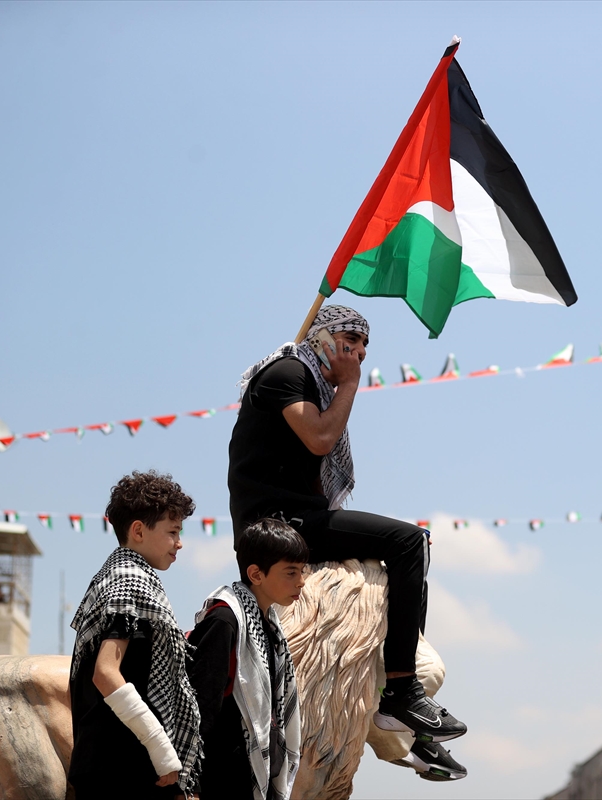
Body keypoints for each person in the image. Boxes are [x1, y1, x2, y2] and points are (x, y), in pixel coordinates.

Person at [227, 305, 468, 780]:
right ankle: (401, 692)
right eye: (347, 340)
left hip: (303, 515)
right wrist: (351, 384)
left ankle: (409, 723)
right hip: (276, 524)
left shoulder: (310, 380)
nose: (356, 352)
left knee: (405, 555)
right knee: (407, 543)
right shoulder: (287, 372)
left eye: (363, 346)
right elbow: (319, 438)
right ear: (320, 338)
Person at [67, 471, 202, 800]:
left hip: (124, 767)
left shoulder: (121, 579)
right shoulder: (129, 582)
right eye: (172, 531)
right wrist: (161, 748)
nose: (179, 542)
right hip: (120, 770)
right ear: (139, 530)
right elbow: (105, 673)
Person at [188, 518, 306, 800]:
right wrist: (190, 786)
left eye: (302, 571)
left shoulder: (271, 625)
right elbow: (200, 708)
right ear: (256, 574)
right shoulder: (224, 620)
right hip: (224, 779)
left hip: (255, 778)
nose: (301, 581)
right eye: (291, 572)